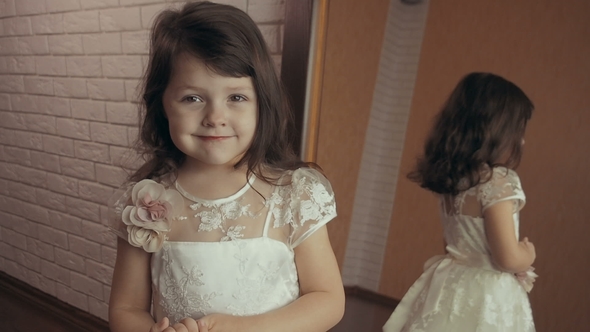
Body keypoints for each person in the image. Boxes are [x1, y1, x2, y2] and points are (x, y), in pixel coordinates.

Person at [107, 2, 345, 331]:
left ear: (263, 101)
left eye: (236, 97)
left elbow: (327, 298)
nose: (215, 117)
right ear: (162, 103)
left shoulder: (295, 194)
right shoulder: (144, 203)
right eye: (192, 98)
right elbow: (125, 308)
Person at [383, 72, 537, 332]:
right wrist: (527, 255)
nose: (522, 140)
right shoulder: (499, 180)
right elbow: (507, 258)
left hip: (452, 284)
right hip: (488, 294)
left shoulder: (456, 182)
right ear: (496, 129)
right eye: (518, 129)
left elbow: (452, 244)